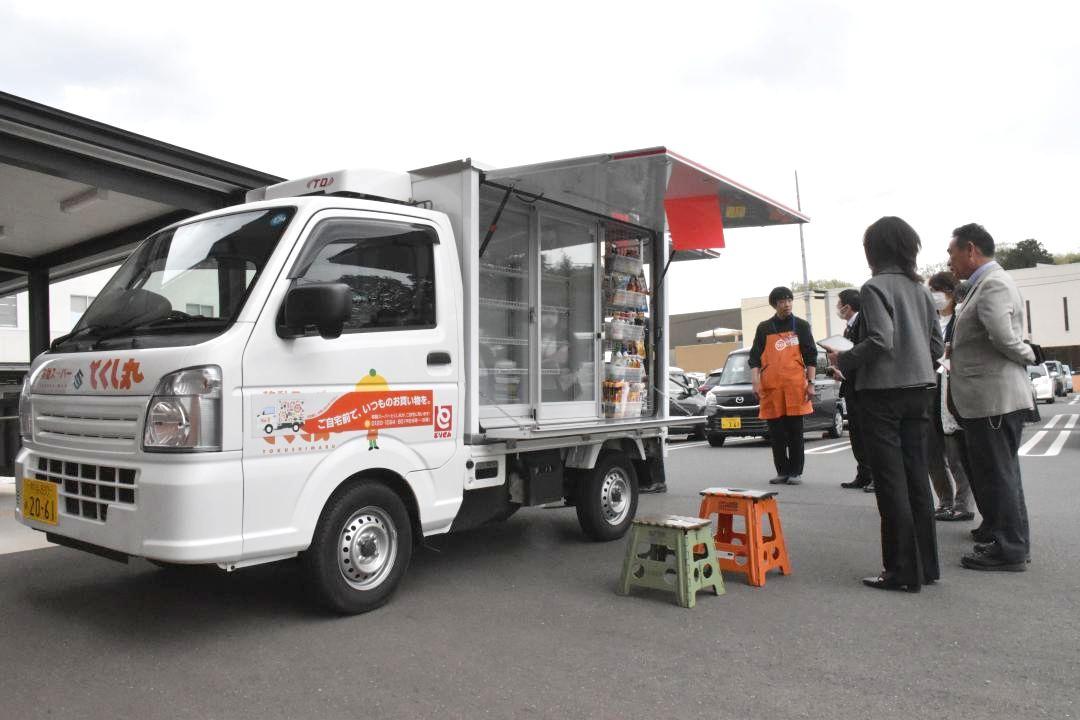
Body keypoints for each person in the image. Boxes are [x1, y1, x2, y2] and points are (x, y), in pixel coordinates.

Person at [828, 217, 943, 592]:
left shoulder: (874, 287)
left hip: (883, 394)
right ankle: (926, 566)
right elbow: (936, 346)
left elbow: (880, 340)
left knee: (891, 482)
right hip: (920, 389)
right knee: (917, 477)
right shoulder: (920, 289)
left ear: (873, 251)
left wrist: (843, 359)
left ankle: (900, 571)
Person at [946, 222, 1034, 571]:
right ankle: (1009, 541)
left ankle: (1009, 549)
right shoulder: (983, 284)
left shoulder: (993, 283)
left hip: (993, 399)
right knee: (1001, 473)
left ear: (971, 249)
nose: (949, 261)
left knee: (999, 475)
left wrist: (1030, 355)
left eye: (952, 252)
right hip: (986, 399)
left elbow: (1004, 337)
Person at [748, 286, 817, 485]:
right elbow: (754, 358)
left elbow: (810, 356)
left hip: (795, 387)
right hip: (771, 388)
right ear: (774, 305)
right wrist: (755, 382)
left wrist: (811, 383)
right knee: (776, 433)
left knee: (795, 432)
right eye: (782, 301)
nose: (786, 305)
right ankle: (782, 471)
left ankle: (795, 472)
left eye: (789, 300)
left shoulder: (801, 326)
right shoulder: (764, 328)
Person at [927, 272, 975, 522]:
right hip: (929, 391)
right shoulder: (929, 321)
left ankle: (962, 504)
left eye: (937, 291)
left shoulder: (961, 318)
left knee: (956, 455)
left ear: (950, 292)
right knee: (932, 455)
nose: (934, 296)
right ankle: (944, 501)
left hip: (952, 392)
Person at [834, 289, 875, 492]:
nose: (837, 308)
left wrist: (841, 358)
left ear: (847, 307)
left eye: (838, 304)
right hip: (851, 384)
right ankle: (863, 474)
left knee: (868, 434)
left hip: (864, 386)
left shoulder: (863, 323)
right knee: (856, 434)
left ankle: (875, 476)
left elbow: (861, 354)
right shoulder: (849, 327)